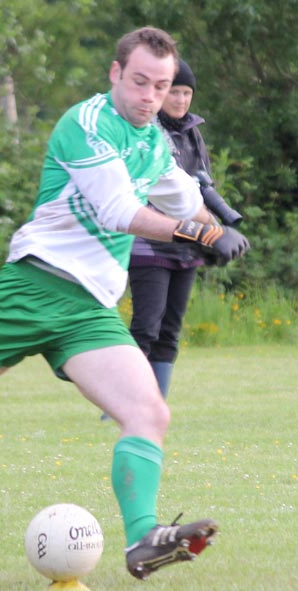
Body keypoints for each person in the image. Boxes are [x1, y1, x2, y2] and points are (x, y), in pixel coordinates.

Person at [0, 27, 249, 581]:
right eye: (139, 82)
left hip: (88, 311)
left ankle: (144, 536)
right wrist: (199, 238)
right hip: (32, 288)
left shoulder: (154, 144)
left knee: (148, 412)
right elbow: (120, 211)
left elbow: (186, 202)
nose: (149, 96)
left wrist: (220, 232)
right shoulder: (87, 123)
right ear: (116, 74)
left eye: (161, 85)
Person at [128, 59, 243, 398]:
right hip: (149, 244)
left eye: (186, 92)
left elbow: (201, 188)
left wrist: (215, 233)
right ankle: (124, 398)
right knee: (146, 327)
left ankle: (156, 401)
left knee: (170, 332)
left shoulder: (193, 132)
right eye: (174, 91)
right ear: (160, 92)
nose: (180, 100)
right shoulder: (146, 133)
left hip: (189, 244)